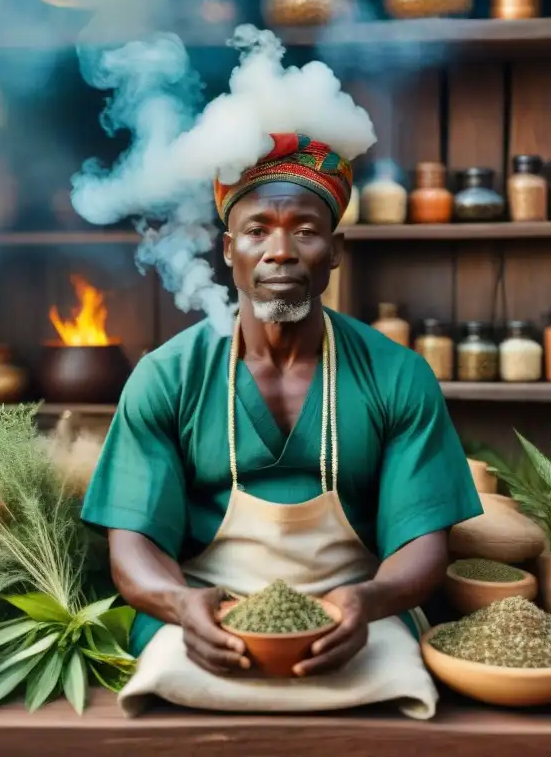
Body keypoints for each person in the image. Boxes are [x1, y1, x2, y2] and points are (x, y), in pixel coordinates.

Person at [81, 133, 482, 719]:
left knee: (400, 684)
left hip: (355, 617)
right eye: (257, 230)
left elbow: (421, 546)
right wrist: (179, 604)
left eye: (304, 230)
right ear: (227, 249)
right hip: (205, 617)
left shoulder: (397, 374)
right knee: (163, 687)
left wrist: (368, 602)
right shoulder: (168, 376)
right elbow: (135, 544)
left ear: (336, 250)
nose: (280, 251)